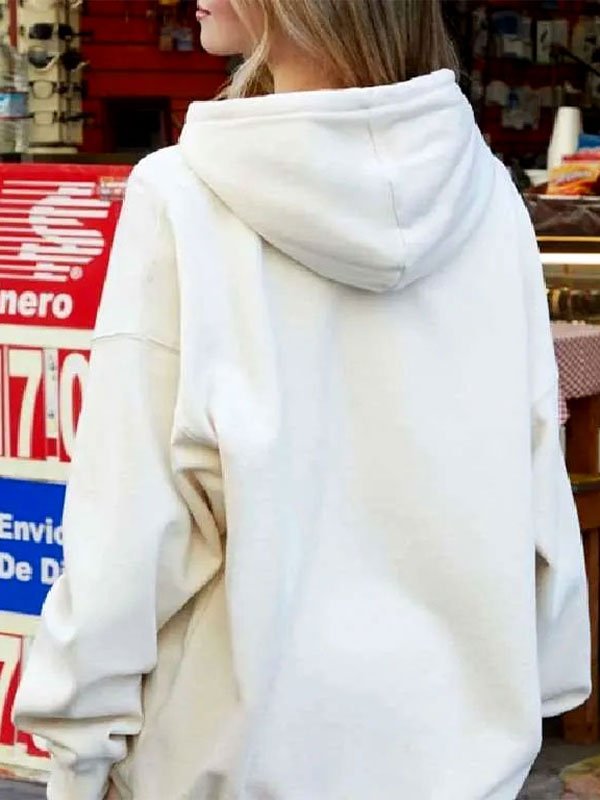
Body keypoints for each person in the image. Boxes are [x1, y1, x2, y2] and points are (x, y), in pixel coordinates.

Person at [14, 1, 590, 799]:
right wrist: (537, 681)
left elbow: (133, 518)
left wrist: (79, 747)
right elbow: (533, 470)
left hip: (235, 757)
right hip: (455, 757)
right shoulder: (489, 195)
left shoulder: (184, 195)